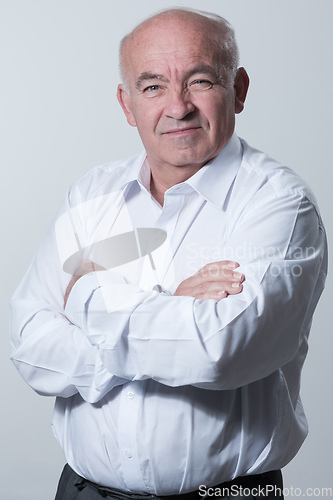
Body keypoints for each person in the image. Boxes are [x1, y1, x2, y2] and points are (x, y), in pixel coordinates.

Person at [10, 7, 327, 500]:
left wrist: (88, 294)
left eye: (200, 81)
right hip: (82, 492)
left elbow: (219, 351)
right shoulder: (91, 194)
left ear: (239, 89)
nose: (178, 107)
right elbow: (30, 346)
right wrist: (171, 303)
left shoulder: (280, 204)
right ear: (126, 103)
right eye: (153, 86)